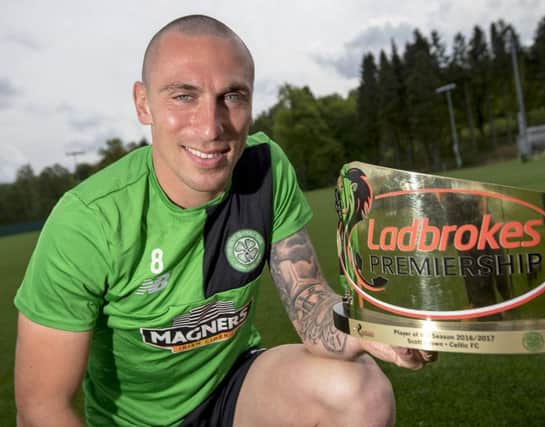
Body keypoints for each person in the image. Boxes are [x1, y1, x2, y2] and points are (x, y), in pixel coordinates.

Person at [14, 15, 433, 427]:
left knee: (360, 393)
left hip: (234, 391)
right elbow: (41, 408)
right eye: (184, 96)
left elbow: (310, 304)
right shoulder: (87, 221)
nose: (211, 127)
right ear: (143, 103)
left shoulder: (264, 169)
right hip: (136, 422)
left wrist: (370, 326)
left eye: (232, 96)